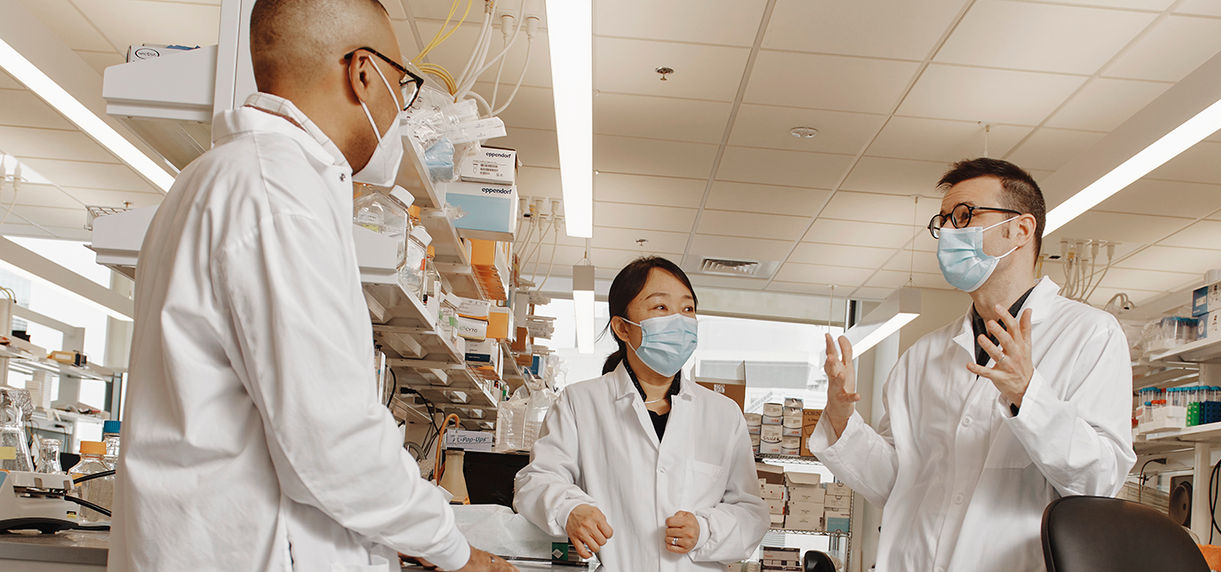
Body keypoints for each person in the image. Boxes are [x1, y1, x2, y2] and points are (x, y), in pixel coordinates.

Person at [108, 1, 513, 570]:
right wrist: (453, 549)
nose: (401, 106)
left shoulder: (220, 178)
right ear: (362, 72)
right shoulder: (279, 196)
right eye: (404, 85)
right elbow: (332, 439)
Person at [812, 158, 1135, 571]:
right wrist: (842, 420)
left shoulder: (1089, 334)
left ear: (1021, 229)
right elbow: (899, 483)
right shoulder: (923, 356)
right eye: (943, 221)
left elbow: (1098, 482)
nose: (948, 232)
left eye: (964, 216)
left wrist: (1027, 395)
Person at [513, 257, 769, 570]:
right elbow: (536, 481)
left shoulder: (723, 414)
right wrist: (569, 510)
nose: (679, 320)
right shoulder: (580, 402)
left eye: (687, 309)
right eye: (660, 307)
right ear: (622, 327)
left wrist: (705, 530)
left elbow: (751, 513)